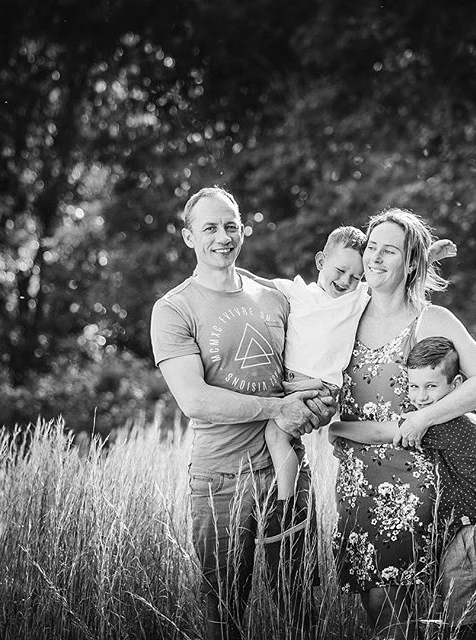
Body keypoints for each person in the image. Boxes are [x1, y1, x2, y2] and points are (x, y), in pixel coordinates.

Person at [149, 186, 336, 639]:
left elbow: (303, 373)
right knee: (226, 609)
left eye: (231, 226)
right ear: (188, 237)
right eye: (209, 227)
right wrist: (278, 407)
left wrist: (319, 405)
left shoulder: (273, 296)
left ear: (243, 230)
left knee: (299, 608)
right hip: (220, 482)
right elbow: (195, 400)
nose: (222, 237)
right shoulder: (174, 308)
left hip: (286, 476)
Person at [327, 208, 476, 640]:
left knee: (437, 618)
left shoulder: (431, 319)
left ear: (410, 264)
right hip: (360, 482)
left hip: (422, 485)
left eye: (390, 251)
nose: (375, 258)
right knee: (381, 615)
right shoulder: (343, 315)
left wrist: (424, 415)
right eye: (371, 247)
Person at [239, 226, 455, 517]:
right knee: (277, 435)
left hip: (319, 389)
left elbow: (400, 275)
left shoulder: (357, 300)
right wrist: (227, 271)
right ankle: (284, 499)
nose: (345, 281)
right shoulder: (298, 291)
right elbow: (257, 281)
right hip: (288, 386)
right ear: (320, 262)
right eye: (340, 271)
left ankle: (284, 505)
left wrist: (431, 255)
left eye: (356, 277)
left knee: (275, 436)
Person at [406, 337, 476, 640]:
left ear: (457, 382)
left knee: (467, 629)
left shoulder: (451, 422)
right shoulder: (454, 418)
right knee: (468, 624)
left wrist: (336, 428)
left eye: (431, 386)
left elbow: (386, 433)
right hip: (469, 535)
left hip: (472, 538)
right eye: (414, 386)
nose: (421, 397)